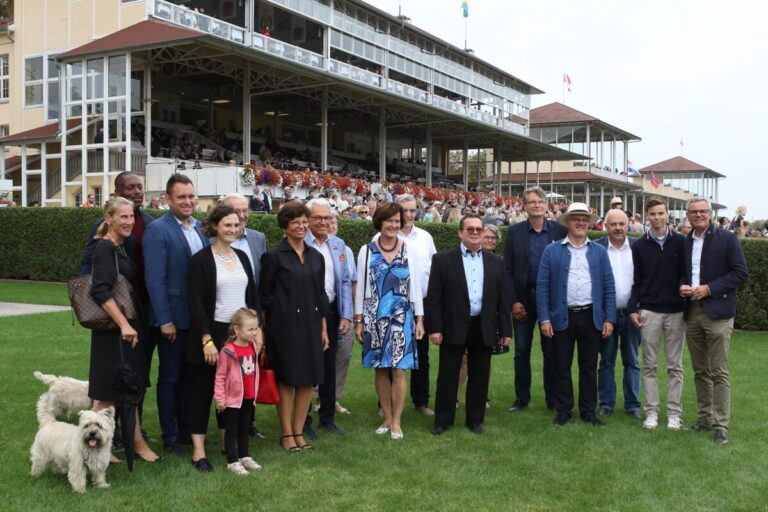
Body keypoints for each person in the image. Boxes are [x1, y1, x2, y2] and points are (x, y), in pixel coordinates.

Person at [79, 171, 157, 442]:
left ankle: (131, 434)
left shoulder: (140, 229)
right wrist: (116, 318)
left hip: (138, 313)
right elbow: (93, 278)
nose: (137, 191)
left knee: (131, 378)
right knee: (108, 385)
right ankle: (106, 438)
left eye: (140, 187)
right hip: (114, 319)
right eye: (130, 187)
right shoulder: (104, 239)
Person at [186, 205, 260, 472]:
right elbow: (196, 305)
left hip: (241, 336)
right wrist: (206, 340)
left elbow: (252, 297)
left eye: (236, 225)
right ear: (215, 226)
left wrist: (257, 332)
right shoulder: (201, 260)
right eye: (227, 224)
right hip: (212, 334)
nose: (232, 229)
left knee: (236, 393)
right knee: (204, 393)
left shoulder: (242, 256)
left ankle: (229, 446)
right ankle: (198, 452)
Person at [144, 174, 210, 455]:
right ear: (168, 199)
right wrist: (165, 320)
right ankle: (170, 436)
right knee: (170, 378)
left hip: (195, 320)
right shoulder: (158, 230)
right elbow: (154, 280)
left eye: (191, 196)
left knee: (190, 378)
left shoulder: (199, 229)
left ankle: (186, 430)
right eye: (181, 197)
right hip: (172, 320)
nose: (188, 201)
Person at [427, 214, 512, 435]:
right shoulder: (443, 260)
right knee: (448, 374)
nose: (475, 233)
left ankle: (475, 420)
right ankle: (442, 421)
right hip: (453, 325)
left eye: (478, 229)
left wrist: (505, 330)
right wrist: (435, 329)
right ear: (460, 232)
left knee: (480, 375)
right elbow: (434, 298)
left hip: (483, 325)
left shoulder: (496, 262)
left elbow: (503, 300)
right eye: (470, 229)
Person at [259, 202, 330, 452]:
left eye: (303, 222)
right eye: (295, 222)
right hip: (283, 327)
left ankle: (299, 431)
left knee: (307, 381)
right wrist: (263, 333)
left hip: (311, 326)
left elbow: (321, 295)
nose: (301, 226)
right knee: (287, 379)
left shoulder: (316, 257)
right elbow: (264, 297)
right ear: (285, 226)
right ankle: (286, 433)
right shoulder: (273, 257)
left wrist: (323, 329)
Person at [537, 202, 616, 426]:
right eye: (576, 219)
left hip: (591, 316)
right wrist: (544, 318)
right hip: (562, 316)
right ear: (567, 223)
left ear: (589, 224)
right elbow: (543, 287)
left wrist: (609, 318)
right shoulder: (551, 250)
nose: (581, 223)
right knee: (561, 365)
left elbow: (608, 286)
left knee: (589, 366)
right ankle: (563, 409)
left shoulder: (599, 252)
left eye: (584, 219)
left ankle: (588, 410)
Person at [354, 202, 424, 440]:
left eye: (397, 221)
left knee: (399, 371)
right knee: (380, 370)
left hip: (402, 316)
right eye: (390, 221)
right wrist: (359, 320)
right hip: (374, 316)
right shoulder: (366, 250)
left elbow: (414, 287)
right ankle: (385, 416)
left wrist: (420, 319)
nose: (394, 225)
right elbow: (362, 287)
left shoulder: (408, 249)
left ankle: (396, 421)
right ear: (380, 223)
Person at [680, 198, 748, 445]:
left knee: (719, 371)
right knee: (700, 371)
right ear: (688, 215)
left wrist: (710, 289)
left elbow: (740, 273)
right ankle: (705, 418)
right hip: (693, 312)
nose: (698, 215)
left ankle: (721, 425)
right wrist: (682, 287)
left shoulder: (727, 238)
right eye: (694, 212)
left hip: (718, 312)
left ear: (709, 213)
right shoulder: (686, 241)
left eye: (702, 211)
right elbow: (683, 273)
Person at [504, 186, 567, 412]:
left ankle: (553, 398)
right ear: (525, 206)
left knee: (551, 352)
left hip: (550, 301)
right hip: (523, 300)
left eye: (540, 201)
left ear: (546, 205)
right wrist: (513, 301)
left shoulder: (560, 231)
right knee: (522, 351)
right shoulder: (514, 232)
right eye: (532, 202)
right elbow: (508, 269)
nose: (537, 205)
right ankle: (522, 398)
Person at [627, 196, 686, 430]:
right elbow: (638, 280)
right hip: (649, 310)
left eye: (661, 213)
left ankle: (674, 414)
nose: (657, 217)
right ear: (647, 216)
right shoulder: (639, 245)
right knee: (649, 365)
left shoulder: (681, 242)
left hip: (676, 311)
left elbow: (685, 274)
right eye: (653, 214)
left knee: (675, 366)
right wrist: (633, 307)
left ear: (667, 214)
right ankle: (651, 412)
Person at [303, 199, 353, 438]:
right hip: (305, 313)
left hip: (332, 311)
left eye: (327, 218)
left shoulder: (338, 244)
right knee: (306, 366)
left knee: (328, 366)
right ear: (308, 219)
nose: (323, 222)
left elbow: (344, 281)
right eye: (318, 218)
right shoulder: (300, 242)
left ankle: (327, 418)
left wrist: (347, 315)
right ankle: (303, 421)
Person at [221, 193, 267, 439]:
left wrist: (259, 322)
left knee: (250, 371)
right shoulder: (213, 239)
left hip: (251, 317)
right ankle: (226, 428)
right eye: (236, 211)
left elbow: (261, 280)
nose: (241, 215)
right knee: (227, 374)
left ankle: (248, 423)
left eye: (245, 210)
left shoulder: (258, 239)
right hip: (224, 316)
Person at [394, 194, 438, 417]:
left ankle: (421, 401)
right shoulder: (384, 236)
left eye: (412, 210)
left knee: (421, 354)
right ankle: (388, 402)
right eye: (404, 211)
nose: (409, 215)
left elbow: (434, 270)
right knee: (393, 354)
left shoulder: (425, 237)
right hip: (395, 304)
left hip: (424, 304)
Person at [595, 209, 641, 419]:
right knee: (606, 361)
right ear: (606, 226)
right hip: (608, 316)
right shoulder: (597, 249)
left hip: (632, 315)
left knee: (632, 360)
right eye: (613, 224)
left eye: (622, 224)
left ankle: (633, 405)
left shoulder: (637, 248)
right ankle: (606, 403)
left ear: (628, 224)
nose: (618, 228)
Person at [214, 308, 264, 475]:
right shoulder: (227, 351)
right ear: (237, 329)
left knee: (244, 427)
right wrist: (220, 398)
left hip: (248, 397)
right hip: (232, 400)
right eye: (250, 329)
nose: (254, 332)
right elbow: (220, 377)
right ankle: (232, 461)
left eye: (256, 329)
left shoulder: (254, 347)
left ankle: (244, 456)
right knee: (232, 430)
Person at [328, 213, 357, 415]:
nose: (329, 225)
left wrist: (353, 313)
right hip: (322, 311)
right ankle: (318, 398)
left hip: (343, 310)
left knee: (342, 355)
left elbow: (351, 282)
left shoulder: (344, 249)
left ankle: (333, 398)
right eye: (325, 221)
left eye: (333, 222)